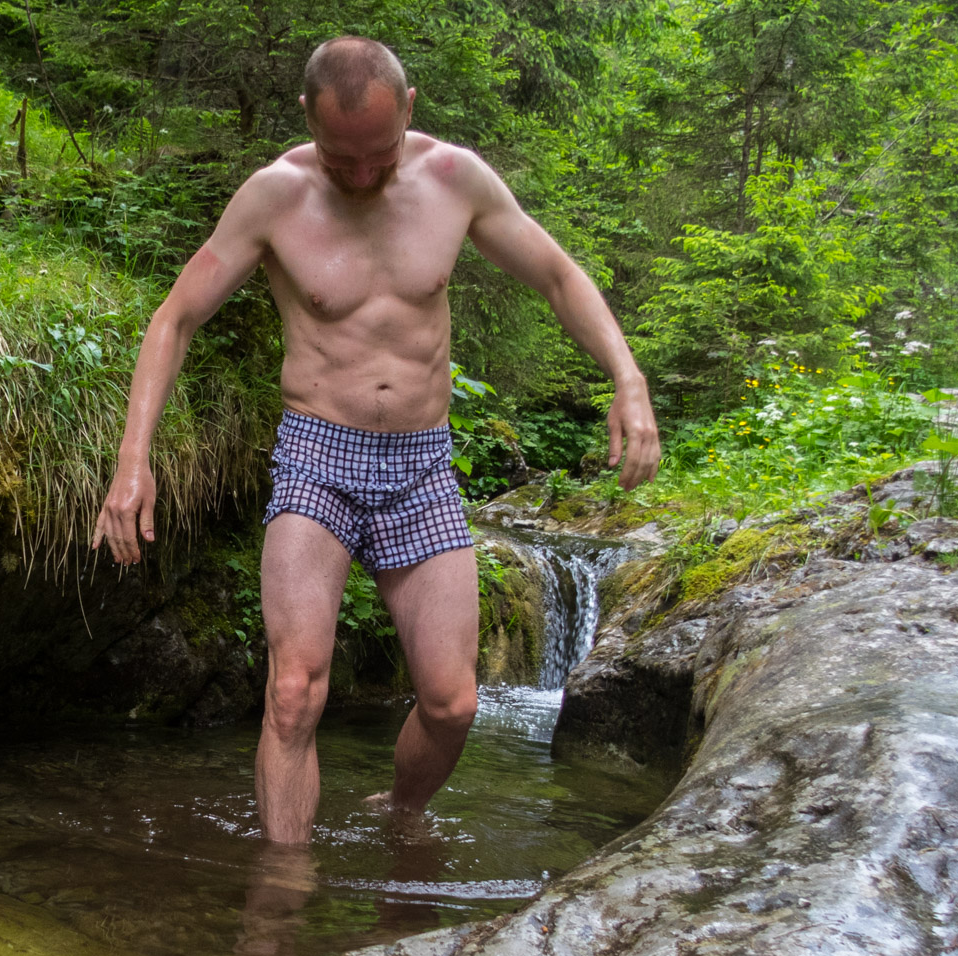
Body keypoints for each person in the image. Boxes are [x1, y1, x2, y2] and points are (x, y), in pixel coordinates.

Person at [93, 36, 661, 846]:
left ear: (411, 110)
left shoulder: (455, 181)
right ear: (306, 120)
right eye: (340, 157)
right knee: (294, 691)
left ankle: (400, 815)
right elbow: (175, 318)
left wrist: (627, 379)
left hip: (423, 466)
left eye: (380, 153)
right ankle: (281, 895)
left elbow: (558, 276)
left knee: (453, 702)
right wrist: (132, 461)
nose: (361, 175)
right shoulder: (274, 197)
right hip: (317, 457)